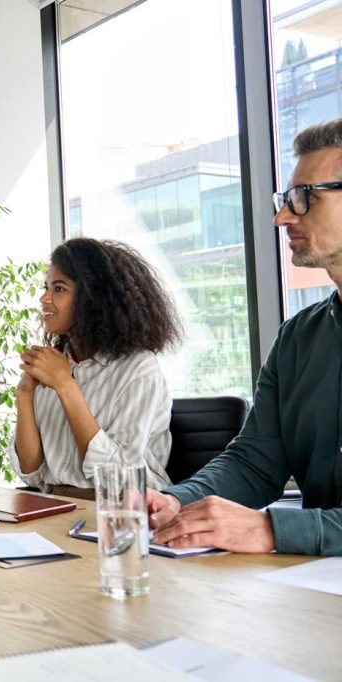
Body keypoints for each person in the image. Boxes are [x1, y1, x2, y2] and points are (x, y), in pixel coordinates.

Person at [149, 118, 342, 557]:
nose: (282, 217)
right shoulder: (298, 338)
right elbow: (255, 463)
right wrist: (177, 500)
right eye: (286, 199)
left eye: (303, 198)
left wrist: (273, 530)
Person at [10, 238, 181, 499]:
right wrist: (25, 393)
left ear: (92, 297)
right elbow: (31, 472)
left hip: (121, 513)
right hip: (55, 505)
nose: (44, 298)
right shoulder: (54, 364)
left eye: (58, 289)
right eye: (46, 287)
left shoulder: (138, 369)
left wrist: (66, 387)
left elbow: (120, 478)